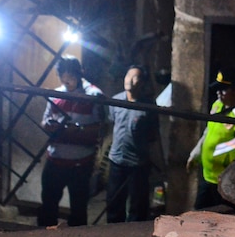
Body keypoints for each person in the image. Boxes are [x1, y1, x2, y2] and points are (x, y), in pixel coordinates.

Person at [37, 56, 104, 227]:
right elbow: (44, 121)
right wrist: (49, 126)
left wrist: (80, 130)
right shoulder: (56, 94)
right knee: (48, 205)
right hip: (55, 160)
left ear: (79, 74)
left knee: (79, 208)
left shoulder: (94, 96)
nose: (67, 83)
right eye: (63, 79)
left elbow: (101, 128)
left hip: (80, 164)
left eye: (71, 78)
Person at [186, 67, 235, 210]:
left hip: (226, 181)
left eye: (224, 90)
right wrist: (195, 154)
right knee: (199, 214)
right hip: (207, 176)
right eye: (218, 89)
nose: (219, 93)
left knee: (221, 217)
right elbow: (208, 131)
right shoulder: (217, 105)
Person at [105, 65, 159, 223]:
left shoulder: (148, 106)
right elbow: (112, 122)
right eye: (128, 75)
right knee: (114, 203)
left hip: (138, 165)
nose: (130, 80)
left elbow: (152, 135)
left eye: (135, 77)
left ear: (141, 82)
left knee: (138, 207)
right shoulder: (115, 101)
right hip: (116, 161)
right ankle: (114, 236)